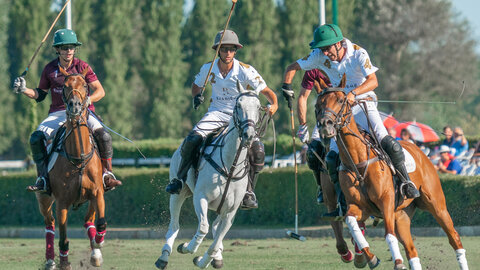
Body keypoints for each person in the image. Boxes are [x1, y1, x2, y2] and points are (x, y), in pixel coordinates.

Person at [281, 23, 420, 199]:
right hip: (340, 110)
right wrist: (287, 86)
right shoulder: (318, 55)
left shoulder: (358, 53)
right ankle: (341, 197)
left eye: (327, 48)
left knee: (386, 140)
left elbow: (373, 81)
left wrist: (354, 93)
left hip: (363, 104)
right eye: (321, 49)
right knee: (331, 157)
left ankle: (405, 181)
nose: (324, 53)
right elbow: (292, 67)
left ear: (339, 43)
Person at [165, 30, 278, 209]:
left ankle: (248, 191)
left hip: (240, 117)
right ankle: (179, 179)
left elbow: (268, 92)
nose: (228, 53)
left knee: (257, 151)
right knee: (192, 139)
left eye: (231, 49)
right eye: (224, 49)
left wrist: (274, 105)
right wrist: (197, 96)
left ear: (235, 51)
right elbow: (196, 87)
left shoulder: (245, 70)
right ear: (218, 50)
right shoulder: (208, 69)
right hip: (216, 113)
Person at [12, 29, 122, 193]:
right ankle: (42, 178)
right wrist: (24, 89)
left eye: (71, 47)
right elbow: (40, 94)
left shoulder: (83, 67)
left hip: (83, 112)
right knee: (36, 138)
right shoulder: (50, 69)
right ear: (57, 49)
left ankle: (107, 174)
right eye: (64, 48)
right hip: (58, 113)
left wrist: (88, 100)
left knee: (104, 136)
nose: (68, 51)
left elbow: (100, 90)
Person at [296, 68, 346, 217]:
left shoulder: (344, 64)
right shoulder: (313, 71)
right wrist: (302, 125)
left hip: (344, 112)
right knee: (312, 152)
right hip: (324, 117)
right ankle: (322, 187)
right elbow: (303, 97)